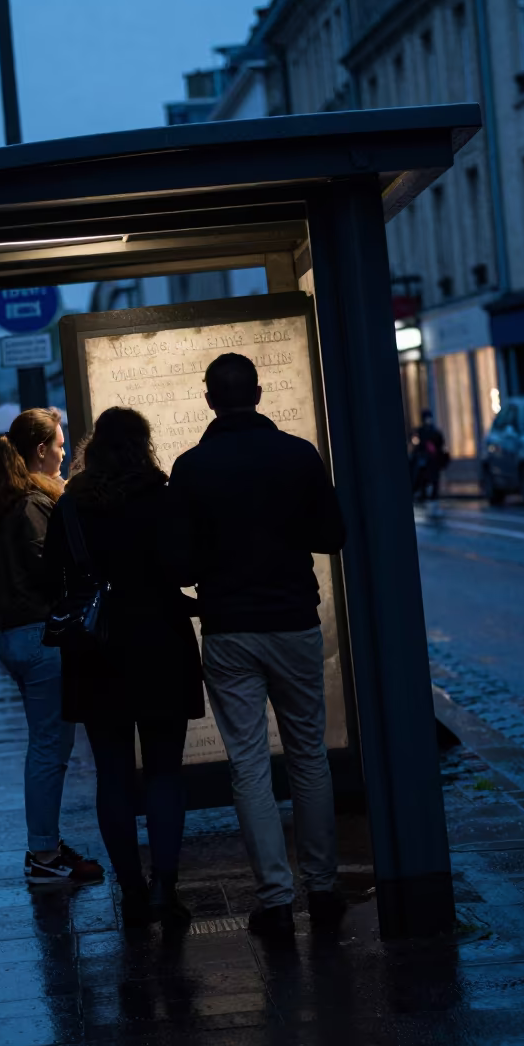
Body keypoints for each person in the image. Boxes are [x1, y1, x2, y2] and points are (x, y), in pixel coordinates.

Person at [170, 353, 347, 940]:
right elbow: (333, 535)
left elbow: (180, 562)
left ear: (208, 398)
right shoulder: (298, 455)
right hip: (293, 620)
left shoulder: (191, 468)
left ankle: (275, 900)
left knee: (247, 763)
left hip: (229, 628)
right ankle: (323, 889)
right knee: (308, 757)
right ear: (261, 392)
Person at [44, 407, 205, 929]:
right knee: (163, 771)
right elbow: (186, 566)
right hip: (159, 642)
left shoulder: (71, 507)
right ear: (144, 445)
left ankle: (131, 889)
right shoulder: (161, 496)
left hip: (97, 651)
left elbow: (52, 580)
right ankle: (165, 886)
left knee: (112, 773)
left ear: (93, 448)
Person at [0, 408, 104, 886]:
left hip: (16, 634)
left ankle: (46, 843)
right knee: (50, 749)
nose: (65, 450)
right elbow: (48, 570)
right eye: (60, 442)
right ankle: (43, 855)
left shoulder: (8, 499)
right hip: (37, 635)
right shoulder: (33, 503)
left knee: (47, 746)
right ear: (41, 450)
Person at [409, 409, 448, 503]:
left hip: (433, 459)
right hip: (424, 458)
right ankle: (423, 493)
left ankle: (433, 494)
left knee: (434, 478)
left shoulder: (434, 431)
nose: (428, 420)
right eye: (426, 418)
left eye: (429, 418)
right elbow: (416, 444)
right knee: (421, 476)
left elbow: (440, 443)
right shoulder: (420, 431)